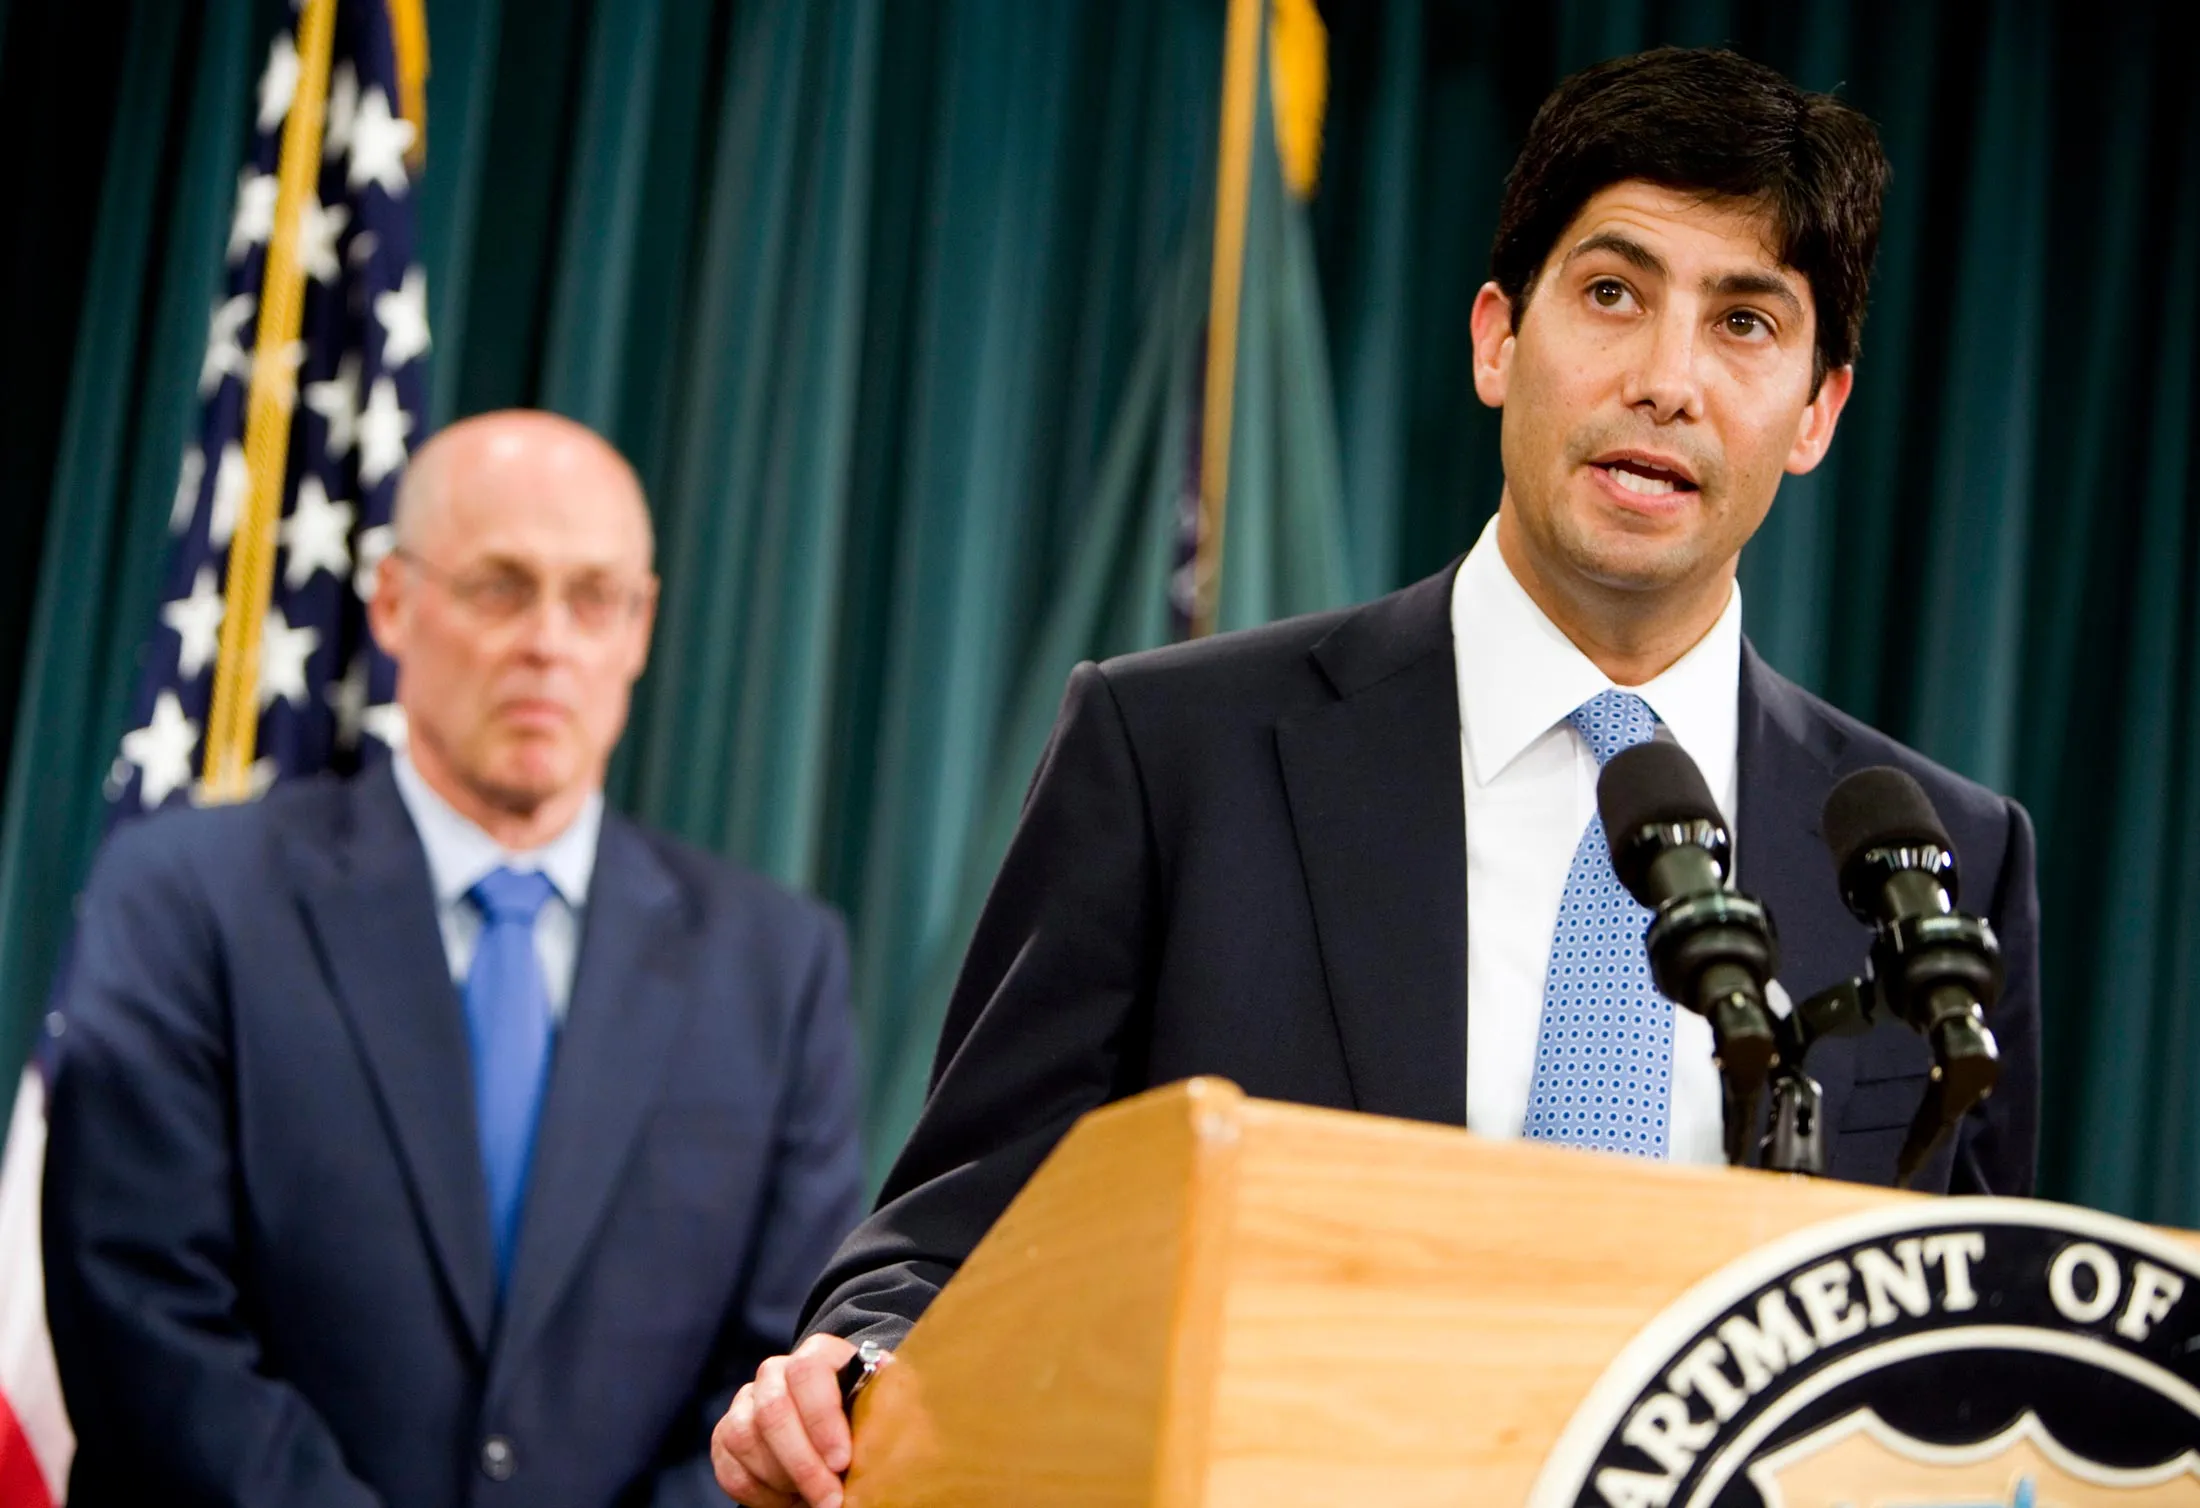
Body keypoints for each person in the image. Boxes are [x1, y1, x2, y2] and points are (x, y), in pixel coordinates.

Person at [711, 45, 2041, 1508]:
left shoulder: (1937, 865)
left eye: (1744, 323)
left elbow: (1970, 1376)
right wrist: (858, 1377)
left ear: (1817, 415)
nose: (1666, 381)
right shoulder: (1178, 755)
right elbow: (952, 1241)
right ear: (1495, 339)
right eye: (1612, 294)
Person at [43, 411, 865, 1507]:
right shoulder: (188, 896)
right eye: (499, 587)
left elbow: (779, 1380)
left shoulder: (779, 968)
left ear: (640, 626)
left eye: (593, 598)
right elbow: (141, 1318)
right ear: (393, 602)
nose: (548, 641)